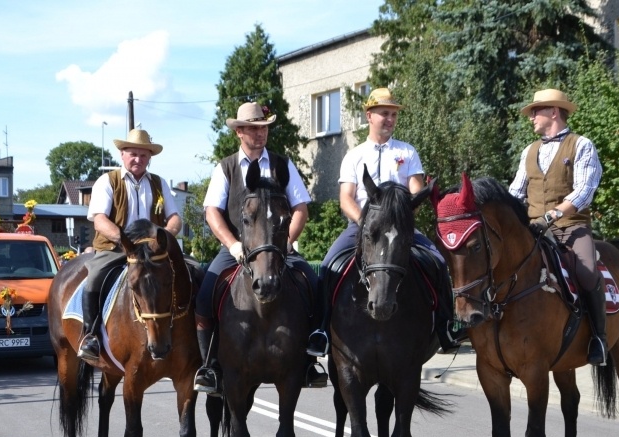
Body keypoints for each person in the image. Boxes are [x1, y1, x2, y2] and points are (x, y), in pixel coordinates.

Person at [307, 87, 465, 358]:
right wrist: (365, 223)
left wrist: (406, 211)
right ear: (369, 116)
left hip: (400, 230)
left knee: (438, 260)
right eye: (384, 113)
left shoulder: (407, 151)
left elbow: (415, 189)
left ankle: (445, 326)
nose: (390, 119)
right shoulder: (354, 155)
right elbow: (346, 198)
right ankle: (321, 329)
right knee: (328, 265)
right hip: (361, 228)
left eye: (393, 114)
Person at [193, 102, 327, 395]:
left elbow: (301, 209)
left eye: (263, 128)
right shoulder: (226, 167)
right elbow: (212, 212)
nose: (260, 133)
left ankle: (309, 359)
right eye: (253, 128)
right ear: (239, 132)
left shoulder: (283, 164)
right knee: (204, 298)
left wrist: (288, 242)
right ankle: (210, 366)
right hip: (236, 248)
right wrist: (233, 244)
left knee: (314, 286)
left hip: (279, 248)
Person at [508, 88, 607, 366]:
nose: (531, 118)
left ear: (553, 112)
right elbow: (516, 192)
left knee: (586, 273)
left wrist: (550, 217)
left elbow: (584, 191)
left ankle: (599, 337)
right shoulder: (529, 150)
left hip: (570, 227)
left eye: (535, 112)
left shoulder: (581, 145)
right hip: (534, 229)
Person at [78, 129, 182, 362]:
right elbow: (99, 219)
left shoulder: (159, 183)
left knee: (191, 272)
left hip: (154, 252)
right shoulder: (107, 181)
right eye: (133, 154)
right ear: (122, 154)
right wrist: (123, 240)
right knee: (95, 275)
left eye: (143, 155)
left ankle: (192, 331)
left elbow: (175, 217)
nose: (138, 159)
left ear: (149, 158)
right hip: (116, 248)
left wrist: (163, 236)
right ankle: (91, 335)